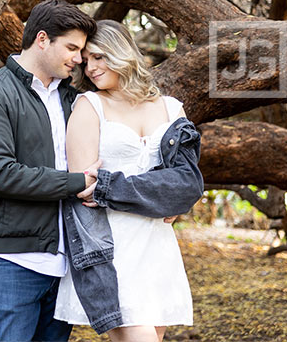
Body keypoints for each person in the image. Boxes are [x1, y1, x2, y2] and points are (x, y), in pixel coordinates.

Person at [0, 0, 99, 342]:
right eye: (71, 47)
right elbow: (0, 173)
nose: (79, 59)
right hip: (13, 263)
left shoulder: (75, 100)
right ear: (41, 39)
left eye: (81, 50)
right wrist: (76, 183)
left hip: (67, 264)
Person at [55, 20, 200, 342]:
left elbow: (188, 183)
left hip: (156, 242)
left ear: (122, 53)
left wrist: (118, 188)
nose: (91, 68)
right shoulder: (90, 106)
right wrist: (158, 194)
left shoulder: (171, 108)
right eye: (87, 60)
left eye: (100, 57)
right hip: (110, 244)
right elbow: (85, 188)